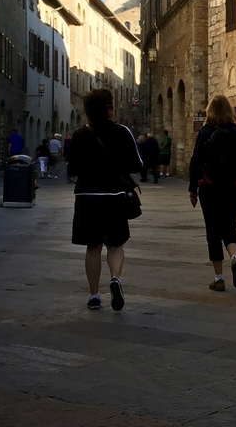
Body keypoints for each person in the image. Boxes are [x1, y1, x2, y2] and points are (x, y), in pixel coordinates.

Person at [67, 88, 143, 311]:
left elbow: (72, 168)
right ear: (110, 108)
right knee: (115, 244)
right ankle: (115, 279)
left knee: (93, 247)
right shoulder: (123, 132)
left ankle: (93, 295)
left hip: (87, 196)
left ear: (87, 110)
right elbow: (137, 164)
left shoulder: (79, 135)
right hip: (114, 196)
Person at [188, 95, 236, 292]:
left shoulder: (206, 132)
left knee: (213, 231)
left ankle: (219, 278)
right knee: (230, 228)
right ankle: (234, 257)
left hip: (210, 186)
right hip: (233, 186)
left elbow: (196, 161)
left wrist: (193, 188)